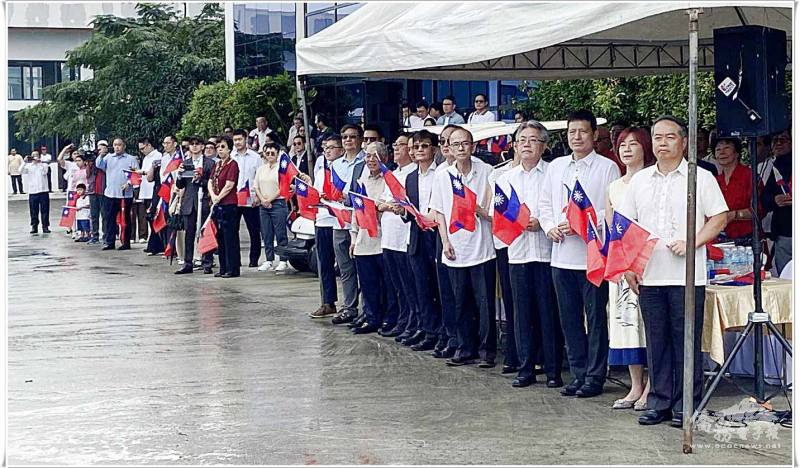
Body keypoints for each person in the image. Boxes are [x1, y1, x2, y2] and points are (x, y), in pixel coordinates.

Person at [618, 115, 728, 427]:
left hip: (687, 275)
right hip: (649, 274)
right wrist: (628, 266)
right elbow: (625, 226)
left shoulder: (699, 176)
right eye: (657, 137)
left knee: (686, 341)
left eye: (669, 137)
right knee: (656, 340)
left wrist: (694, 241)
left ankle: (687, 404)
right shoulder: (640, 180)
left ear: (684, 141)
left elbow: (720, 217)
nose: (662, 143)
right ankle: (660, 402)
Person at [538, 109, 620, 398]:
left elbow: (610, 209)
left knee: (596, 317)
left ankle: (596, 376)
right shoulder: (556, 166)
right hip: (561, 255)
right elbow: (544, 203)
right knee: (569, 317)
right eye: (572, 131)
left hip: (592, 255)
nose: (577, 137)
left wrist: (582, 224)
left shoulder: (607, 167)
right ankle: (578, 372)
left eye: (582, 131)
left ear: (594, 134)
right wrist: (549, 227)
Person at [496, 120, 563, 388]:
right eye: (522, 139)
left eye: (533, 139)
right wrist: (519, 223)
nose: (527, 144)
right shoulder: (505, 178)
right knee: (521, 314)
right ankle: (525, 368)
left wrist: (543, 223)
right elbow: (499, 215)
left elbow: (560, 209)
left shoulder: (553, 174)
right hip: (519, 253)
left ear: (544, 146)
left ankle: (553, 369)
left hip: (548, 253)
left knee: (549, 313)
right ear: (514, 145)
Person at [429, 127, 497, 368]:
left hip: (483, 247)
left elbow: (494, 212)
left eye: (464, 143)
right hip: (455, 248)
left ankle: (487, 350)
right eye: (455, 144)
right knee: (460, 301)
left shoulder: (487, 172)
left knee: (485, 302)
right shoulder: (443, 175)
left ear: (473, 146)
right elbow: (439, 211)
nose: (460, 148)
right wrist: (445, 241)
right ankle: (464, 346)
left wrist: (480, 210)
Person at [605, 127, 656, 410]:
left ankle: (652, 386)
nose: (626, 149)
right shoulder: (613, 186)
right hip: (622, 265)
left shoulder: (651, 180)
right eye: (622, 144)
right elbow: (613, 229)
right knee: (627, 326)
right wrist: (621, 265)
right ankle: (635, 385)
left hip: (648, 262)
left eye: (633, 144)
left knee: (648, 326)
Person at [400, 130, 442, 351]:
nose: (419, 151)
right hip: (417, 236)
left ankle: (443, 333)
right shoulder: (410, 177)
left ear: (433, 149)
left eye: (424, 146)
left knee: (440, 288)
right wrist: (402, 210)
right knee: (422, 288)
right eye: (415, 147)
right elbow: (409, 212)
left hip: (437, 235)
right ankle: (428, 330)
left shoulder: (442, 173)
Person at [379, 134, 420, 344]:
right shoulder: (392, 174)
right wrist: (388, 206)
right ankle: (402, 320)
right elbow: (381, 203)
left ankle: (413, 323)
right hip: (388, 237)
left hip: (404, 238)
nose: (396, 149)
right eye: (394, 145)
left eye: (401, 145)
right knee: (396, 284)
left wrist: (393, 206)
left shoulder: (414, 174)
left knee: (409, 286)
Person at [324, 124, 364, 324]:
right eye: (345, 137)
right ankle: (349, 307)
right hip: (339, 222)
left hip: (361, 221)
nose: (348, 140)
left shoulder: (365, 161)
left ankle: (367, 309)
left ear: (360, 139)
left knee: (364, 268)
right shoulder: (335, 165)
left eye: (352, 137)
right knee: (345, 268)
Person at [348, 142, 390, 334]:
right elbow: (355, 210)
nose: (371, 160)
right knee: (367, 283)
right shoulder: (361, 179)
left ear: (384, 158)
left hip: (382, 240)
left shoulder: (389, 180)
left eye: (376, 156)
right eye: (368, 156)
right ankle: (371, 317)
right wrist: (353, 237)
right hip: (364, 240)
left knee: (385, 284)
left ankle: (387, 319)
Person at [304, 135, 344, 319]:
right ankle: (328, 301)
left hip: (339, 221)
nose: (327, 150)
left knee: (345, 265)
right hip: (322, 220)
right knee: (324, 264)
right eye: (325, 147)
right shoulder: (321, 170)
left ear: (341, 149)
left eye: (332, 147)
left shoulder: (344, 169)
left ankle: (351, 302)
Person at [174, 136, 216, 274]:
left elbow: (212, 183)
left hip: (203, 200)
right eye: (192, 144)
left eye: (197, 144)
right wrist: (179, 175)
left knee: (205, 232)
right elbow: (180, 185)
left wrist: (200, 180)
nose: (194, 147)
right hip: (189, 202)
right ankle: (188, 263)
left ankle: (207, 262)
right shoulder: (185, 163)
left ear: (203, 146)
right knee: (189, 235)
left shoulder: (210, 163)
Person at [96, 138, 139, 250]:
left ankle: (126, 242)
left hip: (125, 195)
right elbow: (99, 165)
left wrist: (128, 183)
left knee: (126, 220)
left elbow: (136, 174)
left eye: (119, 145)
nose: (117, 147)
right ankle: (109, 242)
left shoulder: (131, 159)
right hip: (110, 193)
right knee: (109, 219)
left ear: (124, 146)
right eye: (115, 145)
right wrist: (101, 154)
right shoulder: (108, 157)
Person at [254, 142, 290, 273]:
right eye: (267, 153)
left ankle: (283, 260)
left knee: (280, 233)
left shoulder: (281, 169)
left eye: (272, 153)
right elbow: (256, 186)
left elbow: (283, 188)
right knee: (266, 233)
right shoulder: (261, 169)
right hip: (263, 205)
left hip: (278, 203)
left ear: (277, 154)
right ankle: (269, 259)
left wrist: (269, 199)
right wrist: (263, 200)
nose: (269, 155)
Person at [208, 135, 241, 278]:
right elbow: (210, 181)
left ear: (229, 149)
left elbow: (229, 185)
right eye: (218, 147)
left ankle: (232, 268)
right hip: (217, 204)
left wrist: (218, 197)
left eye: (223, 147)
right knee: (219, 237)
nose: (220, 150)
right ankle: (223, 267)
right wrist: (213, 196)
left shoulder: (232, 164)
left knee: (230, 237)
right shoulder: (217, 165)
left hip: (229, 204)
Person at [761, 128, 792, 274]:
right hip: (784, 232)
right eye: (775, 141)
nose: (778, 144)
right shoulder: (777, 165)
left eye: (783, 140)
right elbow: (764, 199)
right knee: (786, 278)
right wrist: (775, 199)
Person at [231, 129, 264, 268]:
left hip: (251, 198)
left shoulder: (255, 157)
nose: (238, 142)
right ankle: (235, 260)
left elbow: (260, 176)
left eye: (240, 139)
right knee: (233, 230)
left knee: (254, 230)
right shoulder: (231, 156)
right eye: (235, 140)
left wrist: (258, 195)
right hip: (234, 197)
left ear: (245, 139)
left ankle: (254, 259)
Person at [713, 137, 754, 243]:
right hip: (720, 239)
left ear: (737, 153)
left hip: (747, 238)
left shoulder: (749, 176)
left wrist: (734, 215)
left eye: (727, 148)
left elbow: (759, 210)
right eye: (718, 149)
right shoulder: (715, 180)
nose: (722, 152)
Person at [136, 138, 162, 245]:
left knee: (154, 217)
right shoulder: (146, 158)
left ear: (149, 145)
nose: (142, 151)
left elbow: (156, 173)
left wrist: (143, 172)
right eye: (140, 149)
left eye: (143, 148)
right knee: (148, 218)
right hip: (145, 190)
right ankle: (154, 243)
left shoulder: (158, 156)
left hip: (153, 190)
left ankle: (157, 243)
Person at [20, 151, 50, 234]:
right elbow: (20, 171)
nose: (35, 157)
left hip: (43, 191)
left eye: (36, 155)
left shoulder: (43, 165)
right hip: (33, 192)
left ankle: (45, 226)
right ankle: (34, 226)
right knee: (33, 211)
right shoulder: (29, 166)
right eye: (33, 156)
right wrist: (24, 162)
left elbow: (45, 172)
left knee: (45, 210)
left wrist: (40, 163)